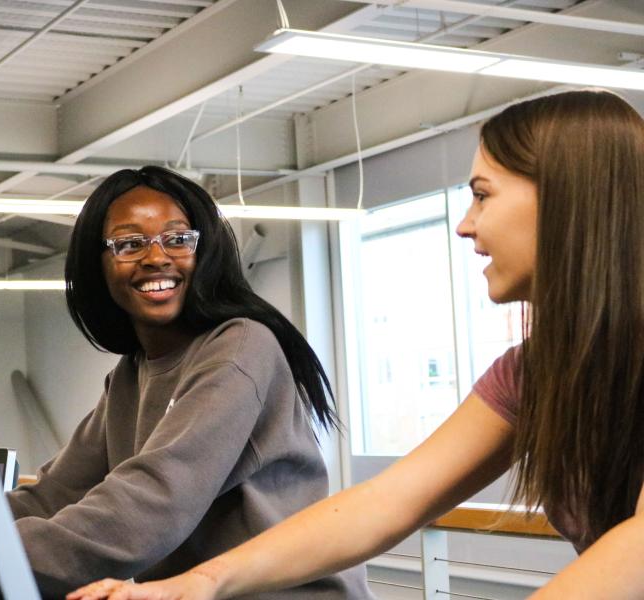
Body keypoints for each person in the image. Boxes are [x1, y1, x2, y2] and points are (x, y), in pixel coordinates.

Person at [66, 89, 644, 600]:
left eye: (482, 195)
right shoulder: (534, 374)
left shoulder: (239, 346)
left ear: (567, 199)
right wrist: (199, 584)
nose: (466, 225)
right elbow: (387, 503)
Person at [6, 166, 373, 599]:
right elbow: (56, 493)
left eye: (178, 239)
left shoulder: (239, 347)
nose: (157, 257)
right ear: (97, 265)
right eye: (129, 244)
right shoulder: (131, 374)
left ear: (205, 253)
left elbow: (153, 504)